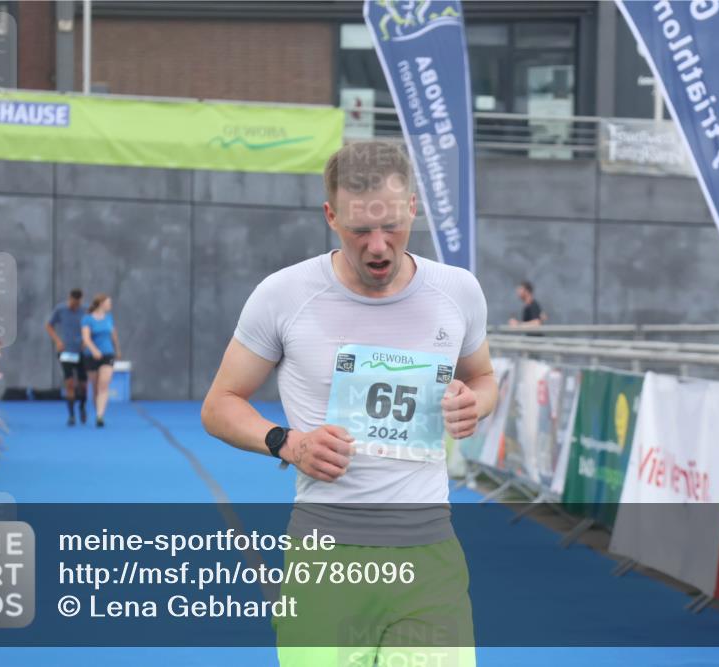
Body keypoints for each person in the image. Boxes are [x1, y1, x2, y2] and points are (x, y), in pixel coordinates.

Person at [201, 140, 497, 666]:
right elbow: (220, 404)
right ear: (331, 215)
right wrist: (286, 443)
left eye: (391, 227)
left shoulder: (458, 291)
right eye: (360, 229)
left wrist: (472, 403)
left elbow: (483, 378)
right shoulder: (284, 294)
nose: (379, 246)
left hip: (428, 555)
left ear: (413, 207)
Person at [46, 289, 88, 426]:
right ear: (69, 298)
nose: (74, 306)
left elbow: (92, 327)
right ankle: (71, 415)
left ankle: (82, 406)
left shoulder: (86, 310)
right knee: (69, 383)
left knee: (83, 385)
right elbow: (49, 325)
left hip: (81, 352)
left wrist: (86, 341)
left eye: (77, 304)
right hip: (66, 351)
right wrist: (57, 341)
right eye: (72, 303)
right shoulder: (60, 309)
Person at [81, 293, 120, 428]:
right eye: (108, 302)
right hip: (91, 355)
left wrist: (117, 349)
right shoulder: (87, 319)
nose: (110, 305)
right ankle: (97, 408)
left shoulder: (109, 318)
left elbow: (113, 335)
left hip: (107, 354)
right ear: (101, 303)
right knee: (95, 386)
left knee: (104, 384)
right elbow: (86, 338)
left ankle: (100, 415)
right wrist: (94, 350)